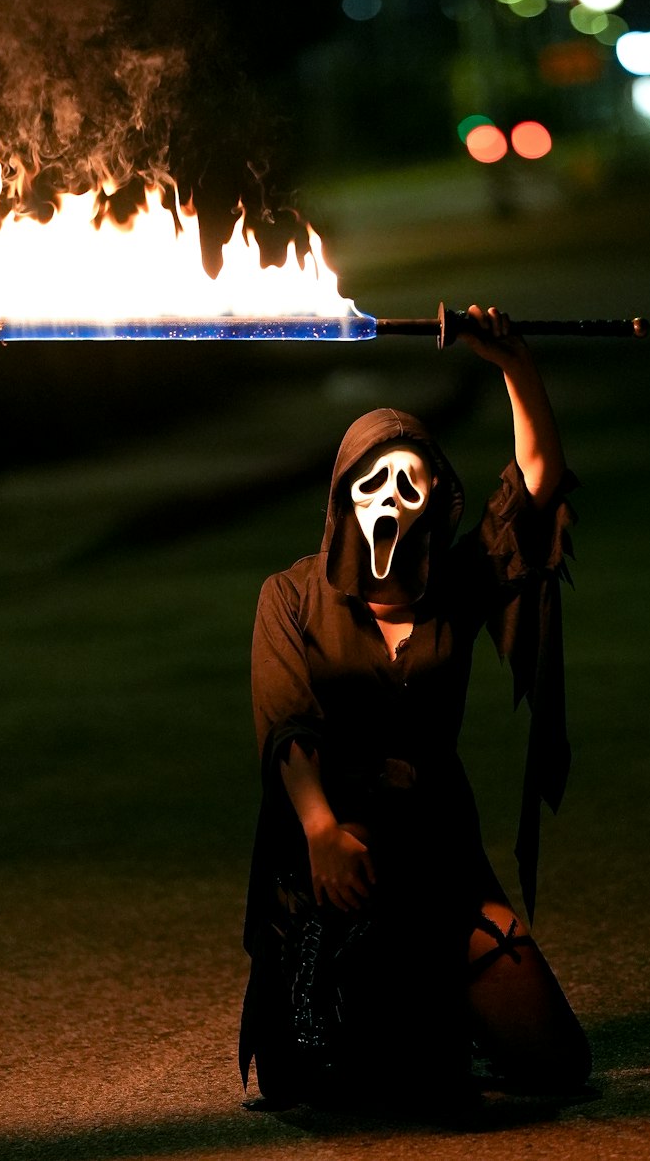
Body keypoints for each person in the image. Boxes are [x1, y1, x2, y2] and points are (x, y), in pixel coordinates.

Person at [239, 305, 591, 1110]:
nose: (388, 497)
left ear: (435, 497)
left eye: (409, 480)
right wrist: (321, 830)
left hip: (435, 854)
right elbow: (288, 726)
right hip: (337, 870)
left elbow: (535, 490)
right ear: (344, 498)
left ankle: (446, 1016)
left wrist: (512, 364)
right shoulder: (290, 597)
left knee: (554, 1064)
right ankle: (365, 1013)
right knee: (370, 1087)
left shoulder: (457, 586)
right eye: (371, 481)